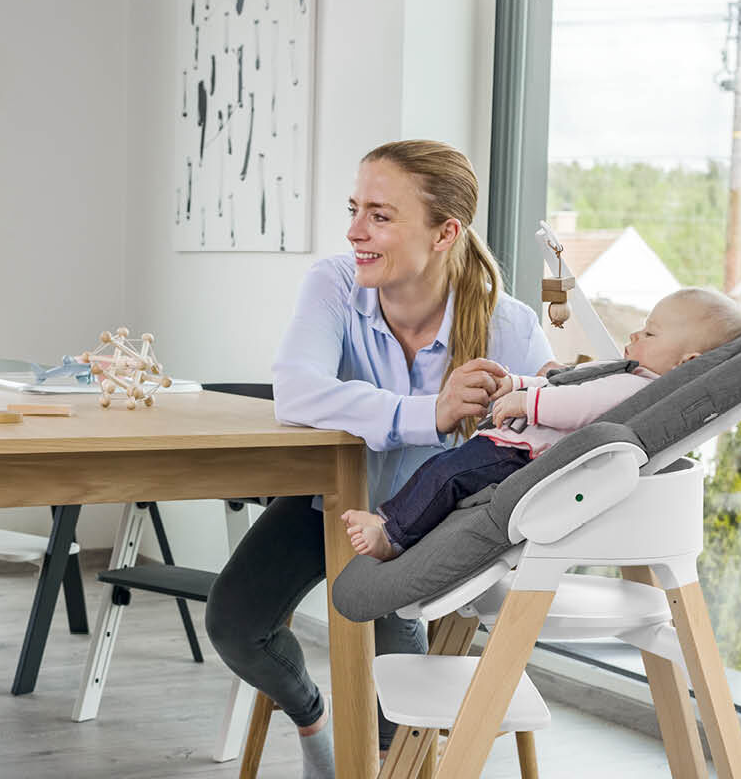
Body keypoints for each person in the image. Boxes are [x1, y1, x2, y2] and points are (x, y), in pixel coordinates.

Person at [203, 139, 556, 779]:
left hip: (427, 530)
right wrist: (431, 412)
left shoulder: (508, 327)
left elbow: (546, 439)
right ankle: (317, 726)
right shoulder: (336, 283)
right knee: (234, 623)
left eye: (380, 216)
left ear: (446, 231)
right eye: (355, 208)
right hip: (331, 502)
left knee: (398, 675)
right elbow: (298, 389)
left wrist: (527, 403)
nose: (355, 231)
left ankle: (390, 763)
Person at [341, 287, 741, 561]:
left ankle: (392, 535)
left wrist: (528, 401)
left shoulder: (636, 389)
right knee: (440, 471)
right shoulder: (630, 372)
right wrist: (518, 382)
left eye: (650, 333)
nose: (635, 334)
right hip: (510, 446)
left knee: (447, 475)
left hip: (520, 457)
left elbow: (578, 404)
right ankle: (391, 522)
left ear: (688, 362)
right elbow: (567, 380)